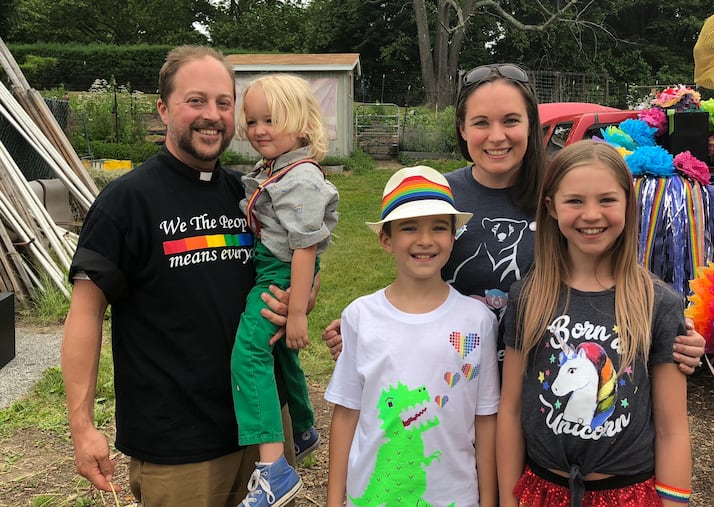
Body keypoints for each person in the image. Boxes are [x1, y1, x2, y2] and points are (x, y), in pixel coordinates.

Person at [323, 63, 706, 372]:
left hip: (548, 376)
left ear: (530, 124)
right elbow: (415, 270)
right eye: (481, 123)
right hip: (454, 376)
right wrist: (370, 324)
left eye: (510, 120)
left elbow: (610, 266)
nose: (497, 136)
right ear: (462, 128)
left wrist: (669, 326)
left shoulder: (566, 194)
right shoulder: (441, 196)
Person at [61, 45, 302, 507]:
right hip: (179, 449)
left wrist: (297, 299)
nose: (212, 115)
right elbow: (85, 315)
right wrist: (82, 426)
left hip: (264, 431)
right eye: (196, 101)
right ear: (163, 108)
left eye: (224, 103)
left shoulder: (249, 196)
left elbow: (285, 269)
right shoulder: (126, 203)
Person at [496, 140, 691, 506]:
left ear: (628, 204)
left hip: (628, 494)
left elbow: (672, 428)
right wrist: (510, 499)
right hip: (541, 491)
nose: (591, 215)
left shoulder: (657, 303)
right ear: (551, 207)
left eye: (606, 200)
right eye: (575, 201)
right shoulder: (528, 297)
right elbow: (509, 411)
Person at [325, 166, 500, 507]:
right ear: (386, 239)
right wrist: (334, 501)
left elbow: (485, 419)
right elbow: (346, 414)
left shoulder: (478, 322)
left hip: (455, 497)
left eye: (438, 227)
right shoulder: (359, 317)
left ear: (453, 236)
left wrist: (488, 500)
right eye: (409, 228)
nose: (425, 240)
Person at [232, 73, 339, 507]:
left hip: (279, 271)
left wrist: (296, 311)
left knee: (249, 353)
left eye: (270, 120)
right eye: (253, 121)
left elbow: (305, 246)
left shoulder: (300, 177)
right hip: (275, 265)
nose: (258, 130)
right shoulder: (278, 168)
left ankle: (273, 469)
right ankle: (303, 426)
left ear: (301, 122)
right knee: (280, 352)